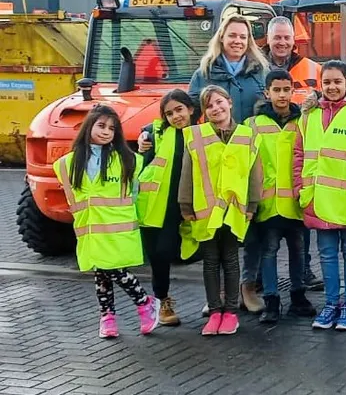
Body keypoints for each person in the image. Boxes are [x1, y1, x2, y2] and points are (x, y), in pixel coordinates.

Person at [186, 14, 270, 314]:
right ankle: (219, 294)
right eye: (232, 35)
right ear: (221, 37)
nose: (237, 41)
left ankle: (247, 286)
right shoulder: (205, 71)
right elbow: (187, 109)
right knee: (217, 227)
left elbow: (271, 106)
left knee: (249, 224)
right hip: (213, 161)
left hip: (246, 153)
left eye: (243, 37)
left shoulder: (260, 72)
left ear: (249, 42)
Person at [53, 105, 160, 339]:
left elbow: (137, 189)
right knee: (101, 272)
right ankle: (108, 316)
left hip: (117, 229)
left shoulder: (126, 159)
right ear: (88, 126)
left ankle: (144, 302)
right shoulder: (67, 163)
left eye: (112, 128)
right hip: (90, 230)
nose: (106, 132)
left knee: (113, 269)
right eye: (101, 126)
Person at [295, 61, 346, 331]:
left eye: (337, 82)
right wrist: (300, 189)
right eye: (326, 82)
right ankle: (331, 304)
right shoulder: (307, 116)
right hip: (318, 198)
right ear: (320, 85)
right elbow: (299, 156)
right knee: (327, 254)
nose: (332, 87)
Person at [179, 85, 263, 336]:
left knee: (230, 259)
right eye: (209, 106)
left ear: (229, 102)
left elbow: (254, 174)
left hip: (234, 210)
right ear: (204, 112)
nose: (215, 108)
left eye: (219, 102)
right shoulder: (195, 136)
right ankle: (215, 311)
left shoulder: (247, 135)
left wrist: (252, 205)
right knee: (210, 261)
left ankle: (230, 313)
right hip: (205, 210)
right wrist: (185, 204)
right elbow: (187, 173)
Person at [246, 69, 317, 324]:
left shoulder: (303, 122)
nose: (282, 95)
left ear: (293, 91)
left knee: (299, 251)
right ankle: (272, 301)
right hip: (268, 204)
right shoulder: (252, 125)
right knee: (269, 252)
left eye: (287, 89)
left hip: (296, 202)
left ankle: (298, 296)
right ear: (267, 92)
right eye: (276, 90)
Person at [265, 15, 324, 290]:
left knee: (301, 221)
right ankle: (263, 281)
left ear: (293, 40)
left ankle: (304, 273)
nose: (282, 43)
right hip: (270, 153)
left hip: (303, 150)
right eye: (277, 37)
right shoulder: (256, 67)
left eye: (286, 38)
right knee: (268, 232)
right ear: (268, 39)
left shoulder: (312, 68)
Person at [135, 89, 197, 326]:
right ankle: (163, 301)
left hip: (187, 206)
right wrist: (143, 135)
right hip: (156, 207)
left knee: (203, 252)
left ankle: (217, 299)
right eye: (169, 113)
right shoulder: (156, 132)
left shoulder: (201, 133)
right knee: (159, 256)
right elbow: (147, 132)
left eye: (179, 109)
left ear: (190, 109)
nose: (175, 116)